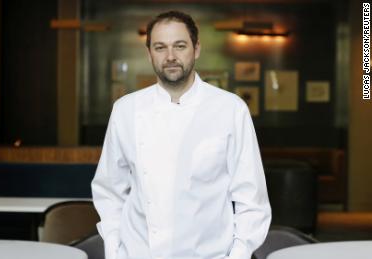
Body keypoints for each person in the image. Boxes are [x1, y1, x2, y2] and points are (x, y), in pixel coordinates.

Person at [92, 10, 271, 259]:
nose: (171, 57)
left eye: (180, 46)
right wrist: (115, 251)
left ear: (196, 49)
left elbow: (252, 200)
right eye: (160, 47)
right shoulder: (126, 110)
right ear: (149, 53)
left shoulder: (230, 109)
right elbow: (110, 190)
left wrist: (237, 255)